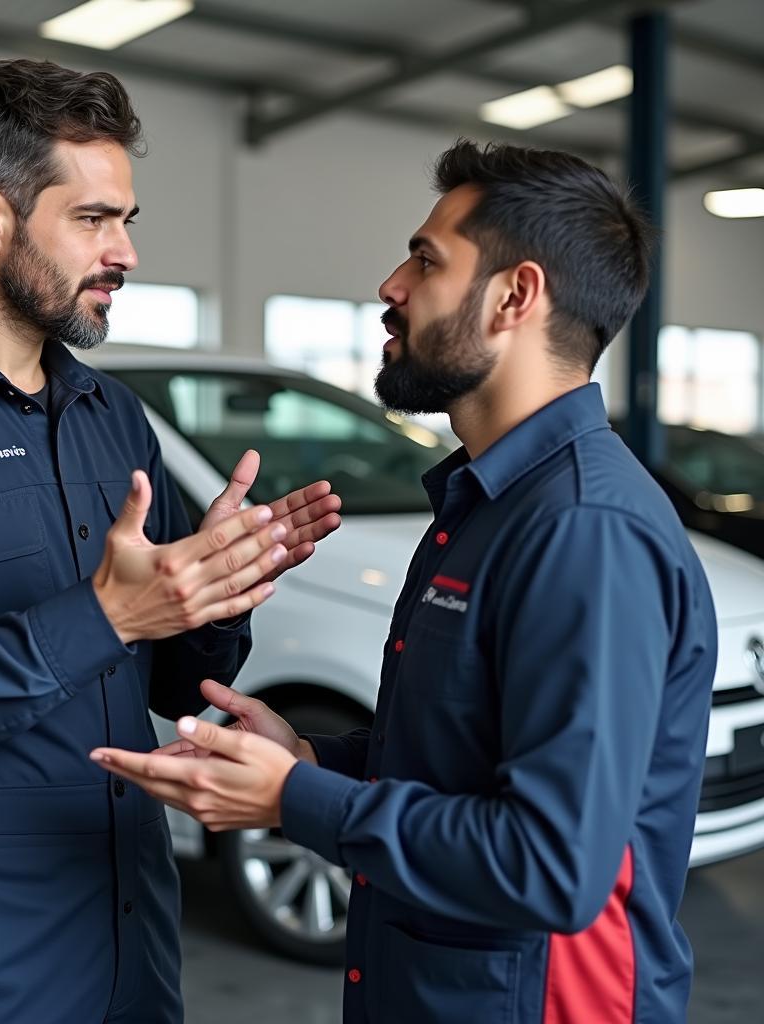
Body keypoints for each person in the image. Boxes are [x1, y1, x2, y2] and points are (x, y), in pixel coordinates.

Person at [92, 139, 719, 1023]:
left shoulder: (583, 531)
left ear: (516, 296)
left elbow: (552, 866)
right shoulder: (483, 500)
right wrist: (312, 760)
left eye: (427, 260)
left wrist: (292, 797)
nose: (391, 285)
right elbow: (461, 751)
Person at [0, 59, 341, 1024]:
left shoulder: (112, 415)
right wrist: (104, 612)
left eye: (126, 220)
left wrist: (215, 595)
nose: (122, 251)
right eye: (92, 220)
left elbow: (164, 680)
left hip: (130, 914)